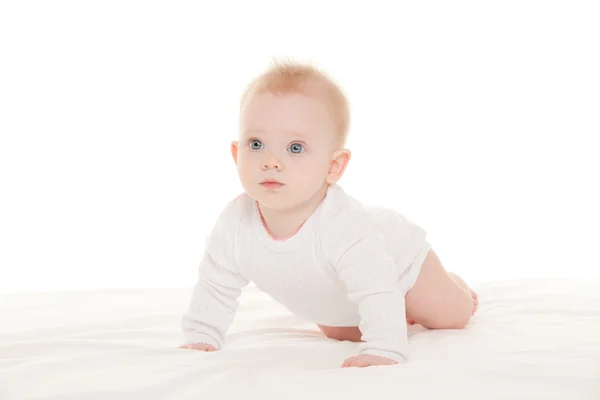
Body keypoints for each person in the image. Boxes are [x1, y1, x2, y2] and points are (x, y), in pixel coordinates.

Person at [180, 60, 478, 368]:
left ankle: (452, 285)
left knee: (450, 316)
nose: (270, 161)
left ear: (333, 167)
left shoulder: (344, 225)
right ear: (236, 154)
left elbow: (375, 288)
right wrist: (202, 335)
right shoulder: (235, 224)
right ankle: (394, 309)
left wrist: (385, 348)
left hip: (397, 259)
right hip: (336, 293)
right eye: (256, 144)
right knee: (340, 331)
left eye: (295, 148)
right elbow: (215, 284)